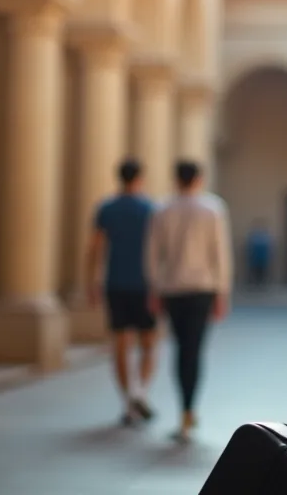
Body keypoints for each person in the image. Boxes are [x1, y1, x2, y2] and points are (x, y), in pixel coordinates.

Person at [145, 160, 233, 444]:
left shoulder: (162, 209)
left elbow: (152, 253)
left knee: (181, 348)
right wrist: (222, 292)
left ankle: (185, 409)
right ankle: (188, 409)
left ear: (176, 179)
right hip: (202, 290)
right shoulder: (213, 208)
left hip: (173, 290)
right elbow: (220, 253)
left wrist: (154, 289)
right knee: (193, 350)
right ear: (199, 179)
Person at [87, 158, 159, 427]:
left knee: (120, 343)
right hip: (145, 284)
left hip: (115, 283)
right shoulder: (151, 209)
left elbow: (95, 248)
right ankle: (139, 392)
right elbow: (158, 250)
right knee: (148, 343)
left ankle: (128, 402)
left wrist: (92, 282)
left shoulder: (106, 208)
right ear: (140, 178)